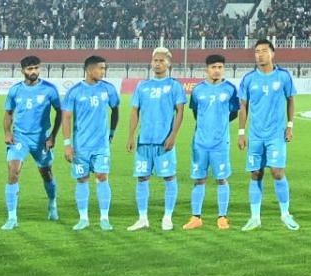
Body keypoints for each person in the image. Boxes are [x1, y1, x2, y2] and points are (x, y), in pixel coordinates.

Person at [239, 38, 298, 232]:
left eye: (264, 51)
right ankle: (255, 217)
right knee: (256, 173)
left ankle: (285, 214)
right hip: (255, 135)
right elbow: (243, 107)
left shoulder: (283, 77)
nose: (260, 54)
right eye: (257, 51)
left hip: (275, 134)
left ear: (272, 53)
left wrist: (290, 125)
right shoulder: (248, 79)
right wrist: (241, 132)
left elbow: (290, 100)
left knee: (277, 171)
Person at [129, 47, 188, 231]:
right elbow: (134, 111)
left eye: (162, 60)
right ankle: (142, 218)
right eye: (155, 60)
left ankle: (167, 217)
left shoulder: (174, 85)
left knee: (169, 177)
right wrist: (131, 135)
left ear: (169, 63)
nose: (158, 63)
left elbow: (180, 112)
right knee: (141, 178)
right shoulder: (142, 86)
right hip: (144, 141)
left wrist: (173, 135)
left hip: (164, 142)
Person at [1, 54, 62, 229]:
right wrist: (7, 132)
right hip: (20, 138)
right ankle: (12, 218)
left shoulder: (50, 89)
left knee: (46, 173)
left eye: (36, 68)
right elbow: (8, 113)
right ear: (23, 71)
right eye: (30, 69)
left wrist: (53, 136)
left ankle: (52, 203)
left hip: (41, 139)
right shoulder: (15, 90)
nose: (34, 71)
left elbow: (60, 112)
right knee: (13, 170)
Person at [62, 54, 120, 232]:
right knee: (82, 179)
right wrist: (67, 144)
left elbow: (115, 109)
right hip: (81, 146)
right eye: (100, 68)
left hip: (101, 146)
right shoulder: (75, 91)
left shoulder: (108, 89)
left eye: (104, 68)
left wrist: (111, 132)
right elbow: (66, 117)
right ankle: (83, 218)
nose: (103, 71)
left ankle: (104, 218)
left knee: (102, 177)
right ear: (89, 69)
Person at [184, 54, 240, 230]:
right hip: (200, 143)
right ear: (206, 69)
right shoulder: (198, 90)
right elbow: (195, 112)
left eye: (220, 67)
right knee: (199, 179)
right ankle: (196, 217)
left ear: (224, 69)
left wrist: (219, 126)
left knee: (222, 179)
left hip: (220, 143)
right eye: (213, 67)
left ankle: (222, 217)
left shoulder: (230, 89)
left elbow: (234, 113)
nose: (217, 70)